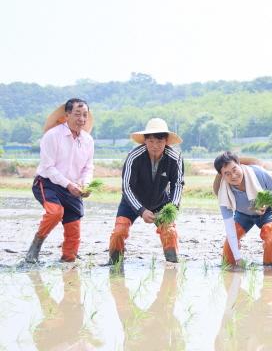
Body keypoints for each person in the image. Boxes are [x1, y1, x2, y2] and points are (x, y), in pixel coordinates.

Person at [107, 118, 184, 265]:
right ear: (145, 141)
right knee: (119, 231)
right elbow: (126, 187)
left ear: (166, 141)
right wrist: (141, 210)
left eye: (159, 142)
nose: (155, 146)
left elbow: (178, 184)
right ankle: (114, 264)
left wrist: (172, 208)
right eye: (151, 141)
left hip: (160, 201)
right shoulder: (133, 157)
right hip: (133, 201)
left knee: (169, 231)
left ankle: (173, 262)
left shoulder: (175, 158)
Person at [26, 98, 95, 263]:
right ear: (67, 115)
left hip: (73, 188)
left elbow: (88, 167)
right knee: (55, 213)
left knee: (74, 229)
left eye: (84, 115)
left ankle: (68, 258)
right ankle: (34, 248)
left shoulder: (88, 140)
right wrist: (69, 184)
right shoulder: (52, 136)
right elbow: (48, 167)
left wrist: (85, 184)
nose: (81, 119)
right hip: (47, 182)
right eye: (77, 114)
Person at [213, 151, 272, 266]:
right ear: (222, 176)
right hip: (243, 215)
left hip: (267, 212)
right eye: (227, 174)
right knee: (229, 249)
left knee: (269, 238)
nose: (233, 175)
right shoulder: (223, 194)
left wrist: (265, 203)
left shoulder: (258, 172)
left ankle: (269, 269)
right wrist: (238, 258)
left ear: (240, 164)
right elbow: (229, 227)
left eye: (234, 169)